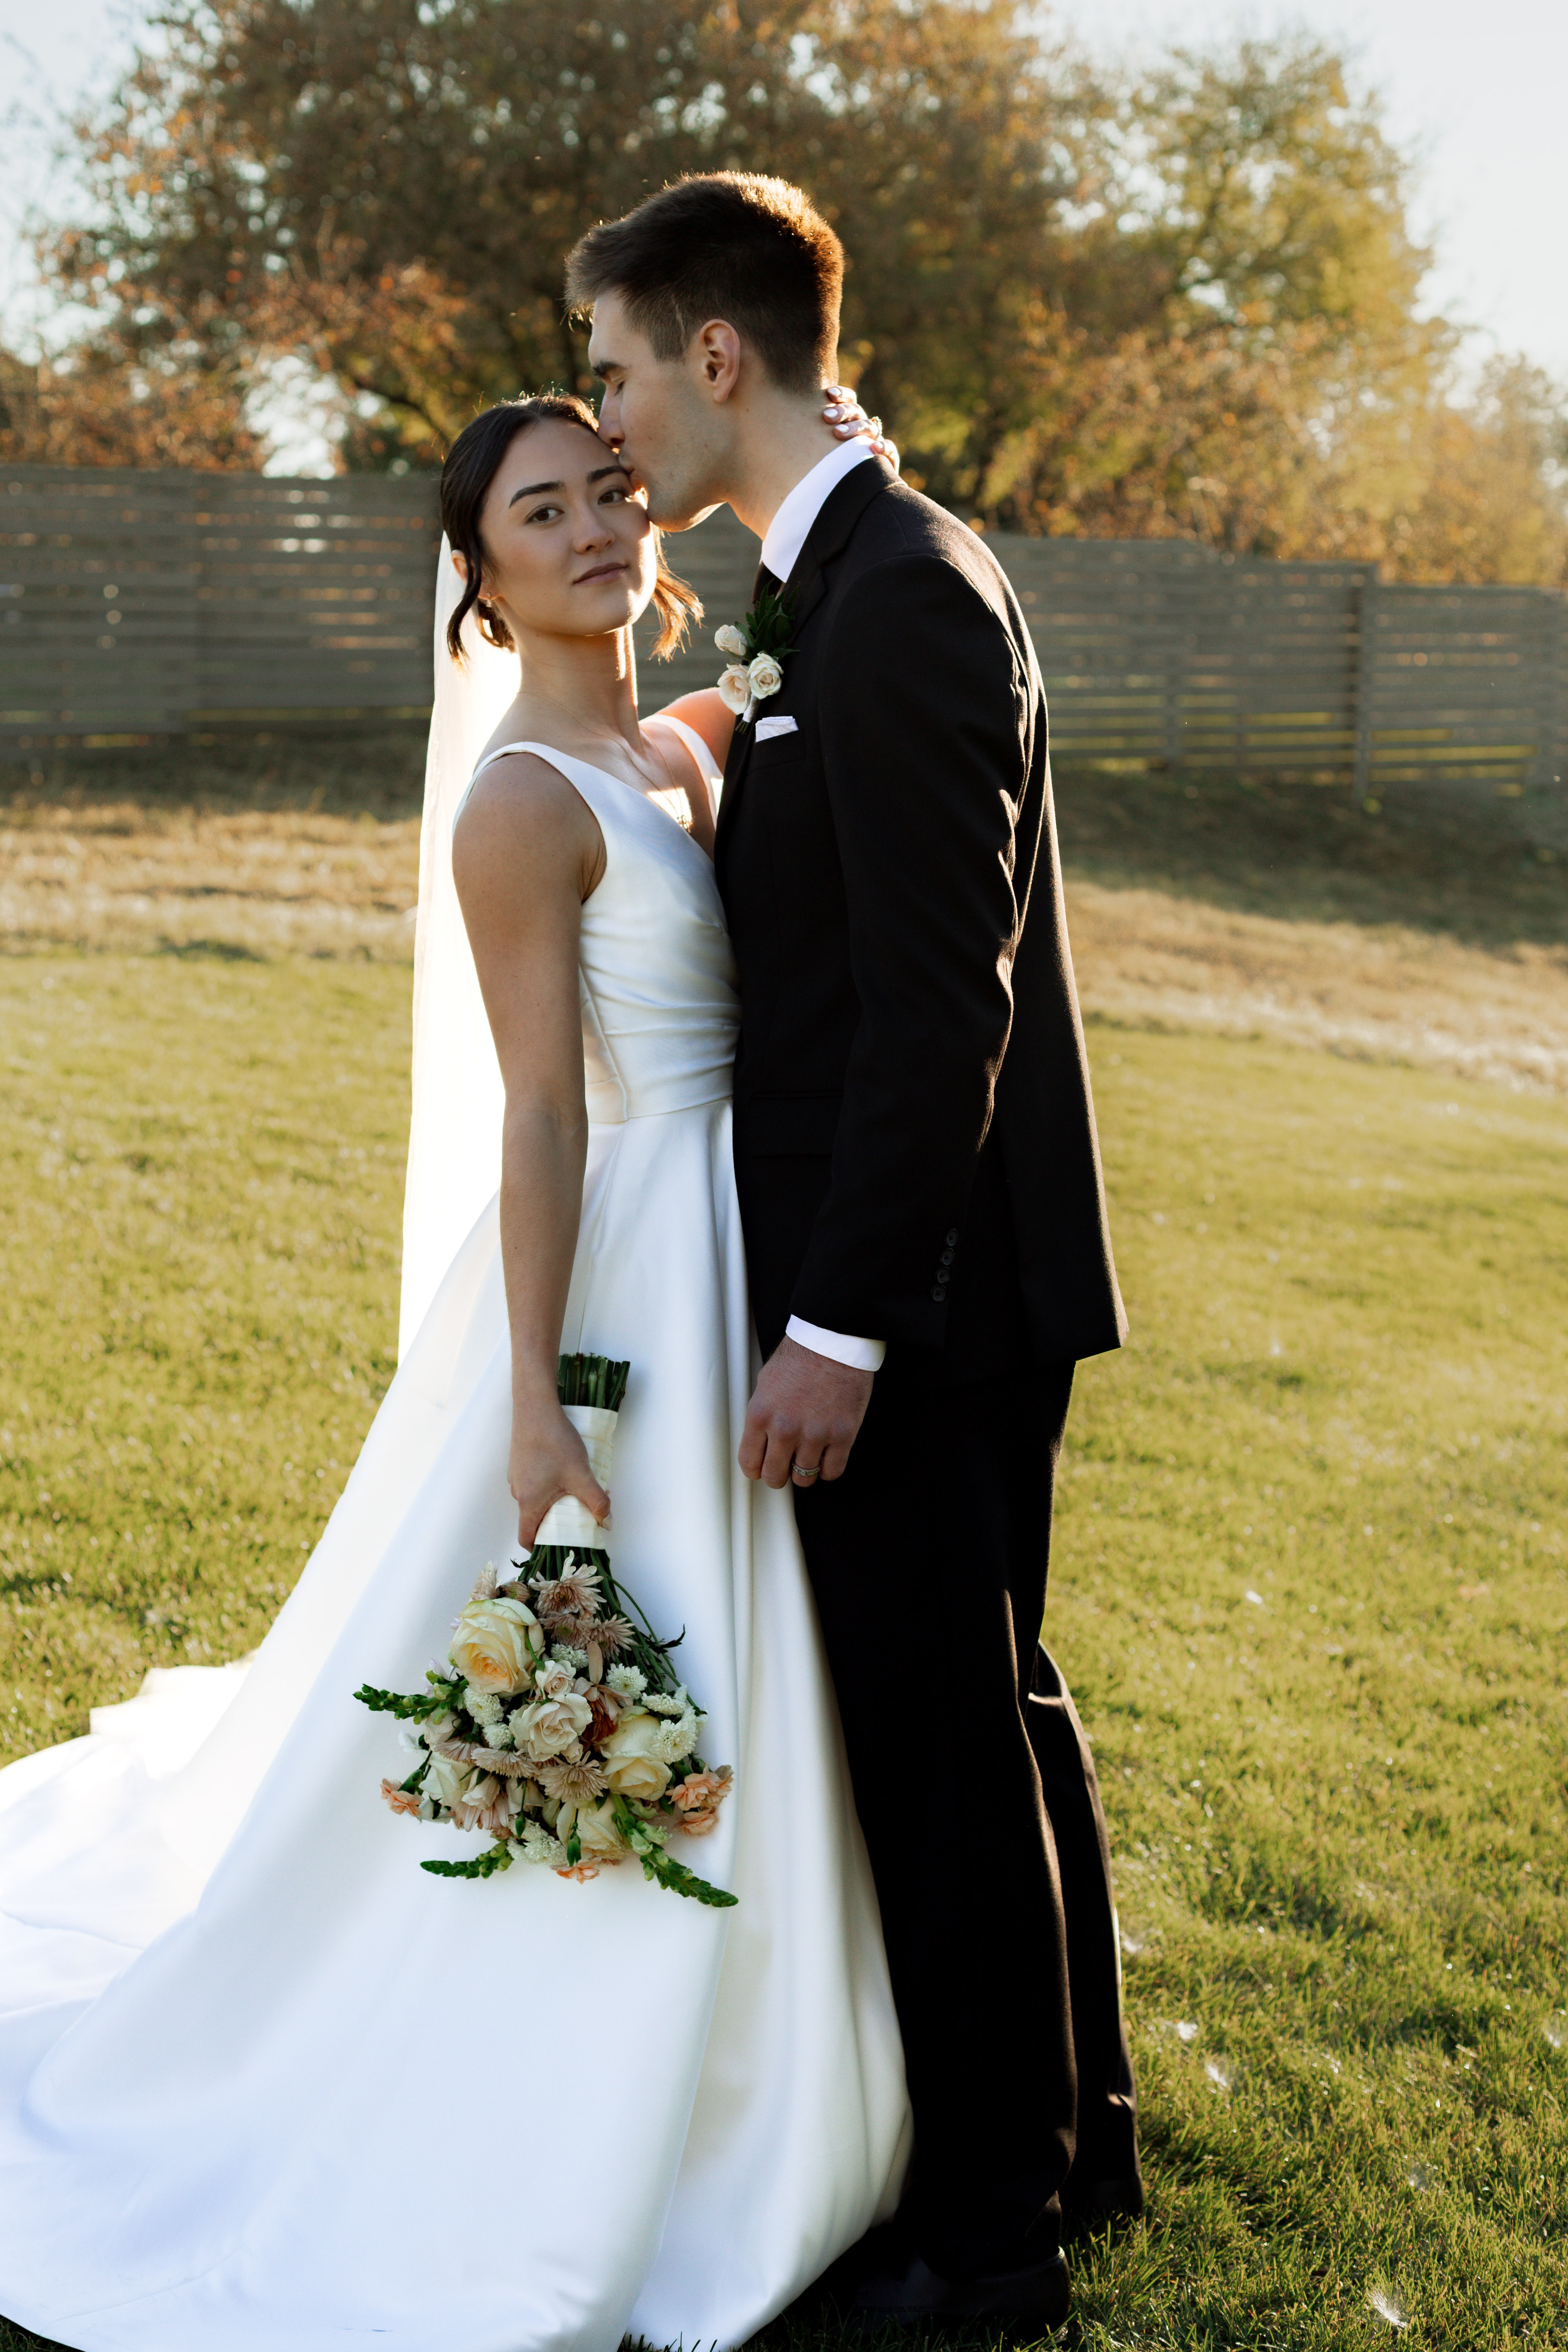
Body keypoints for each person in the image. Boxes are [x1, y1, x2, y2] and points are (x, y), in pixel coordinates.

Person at [0, 387, 914, 2351]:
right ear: (482, 578)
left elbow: (808, 654)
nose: (593, 526)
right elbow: (537, 1121)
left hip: (740, 1240)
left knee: (744, 1667)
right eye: (540, 511)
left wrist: (855, 458)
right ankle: (559, 2094)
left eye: (608, 492)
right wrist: (535, 1398)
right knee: (617, 1661)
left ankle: (759, 2076)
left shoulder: (680, 747)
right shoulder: (523, 800)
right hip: (628, 1279)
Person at [568, 170, 1142, 2328]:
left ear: (718, 357)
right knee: (995, 1710)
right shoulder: (857, 578)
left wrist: (835, 1333)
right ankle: (1071, 2158)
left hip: (921, 1299)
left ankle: (985, 2246)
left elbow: (940, 1012)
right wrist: (724, 719)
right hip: (961, 1285)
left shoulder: (898, 597)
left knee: (938, 1751)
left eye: (621, 370)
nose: (610, 425)